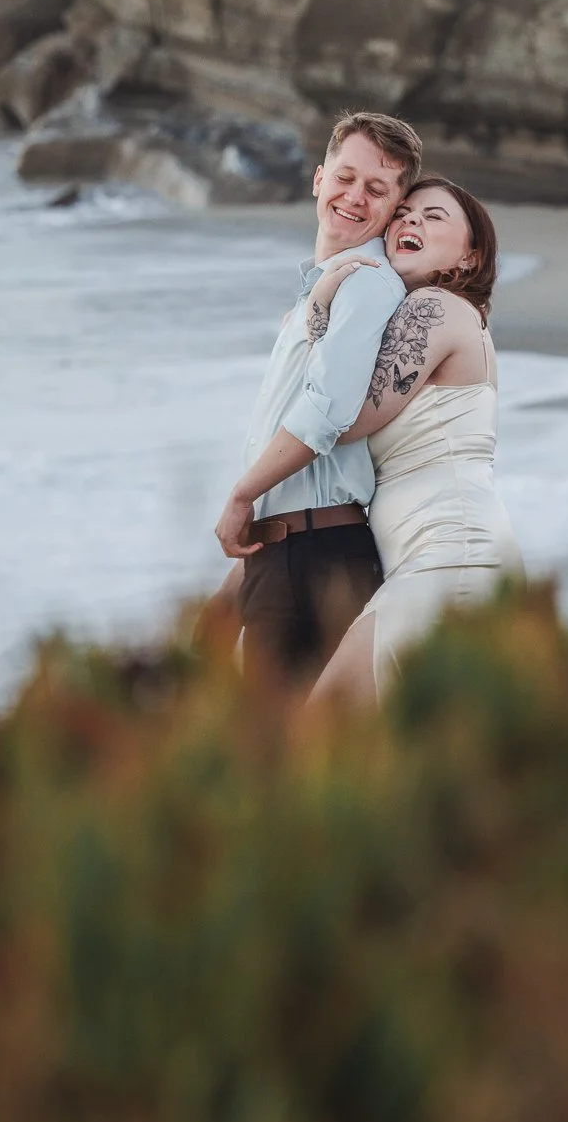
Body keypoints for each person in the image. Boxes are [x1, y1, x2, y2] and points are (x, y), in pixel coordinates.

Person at [214, 112, 424, 678]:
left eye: (377, 189)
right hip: (290, 546)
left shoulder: (367, 282)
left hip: (315, 556)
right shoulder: (328, 287)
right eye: (345, 177)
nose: (355, 197)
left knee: (278, 749)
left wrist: (241, 496)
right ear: (318, 178)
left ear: (394, 208)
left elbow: (326, 412)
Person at [297, 177, 520, 705]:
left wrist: (321, 299)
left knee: (320, 737)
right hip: (453, 555)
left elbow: (340, 418)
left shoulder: (434, 309)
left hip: (446, 560)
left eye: (434, 216)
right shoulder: (452, 317)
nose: (410, 220)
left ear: (470, 258)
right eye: (403, 212)